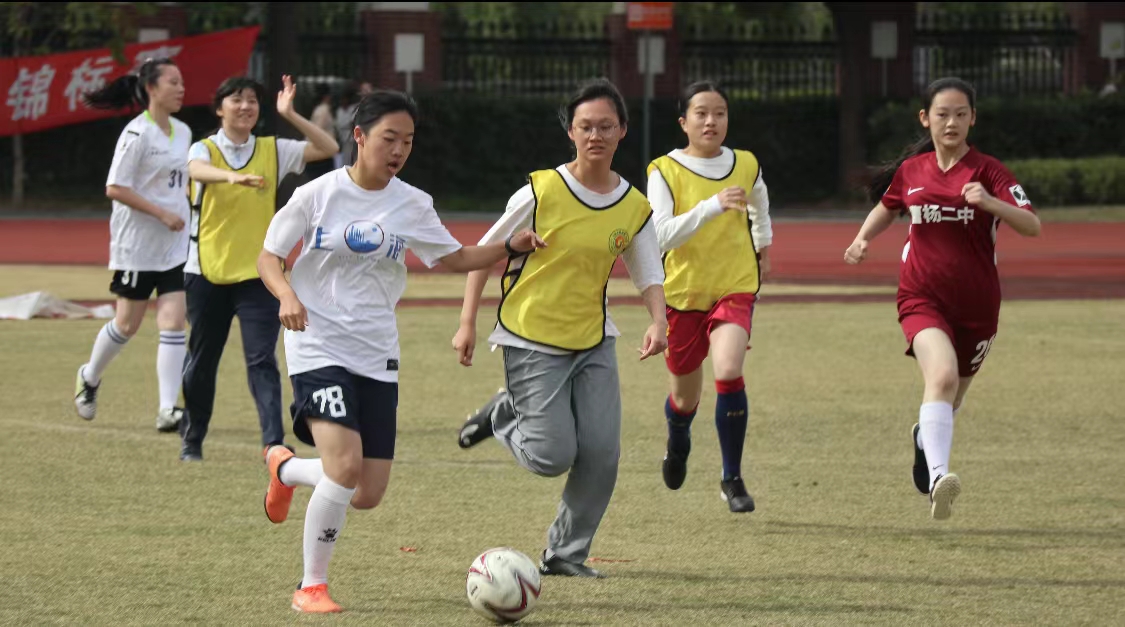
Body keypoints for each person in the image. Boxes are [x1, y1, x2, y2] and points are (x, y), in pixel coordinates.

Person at [255, 90, 545, 613]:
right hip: (317, 345)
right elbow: (269, 258)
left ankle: (286, 470)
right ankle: (310, 587)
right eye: (390, 138)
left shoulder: (411, 202)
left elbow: (455, 258)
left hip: (376, 352)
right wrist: (288, 295)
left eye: (408, 142)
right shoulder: (317, 195)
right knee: (343, 469)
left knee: (365, 491)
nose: (399, 151)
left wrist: (510, 247)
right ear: (359, 136)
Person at [453, 78, 668, 579]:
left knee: (601, 452)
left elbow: (648, 270)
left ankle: (565, 555)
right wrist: (468, 323)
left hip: (592, 341)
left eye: (606, 126)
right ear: (570, 132)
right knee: (551, 456)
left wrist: (659, 320)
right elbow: (482, 257)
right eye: (586, 126)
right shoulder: (540, 190)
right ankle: (504, 415)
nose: (596, 135)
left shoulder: (633, 206)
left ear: (623, 132)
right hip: (530, 339)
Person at [844, 77, 1041, 521]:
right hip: (922, 296)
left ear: (973, 118)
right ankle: (939, 478)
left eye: (960, 114)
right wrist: (861, 239)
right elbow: (888, 206)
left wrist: (992, 203)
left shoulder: (989, 172)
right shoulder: (912, 172)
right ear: (925, 118)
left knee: (949, 399)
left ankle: (923, 438)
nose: (950, 122)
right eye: (942, 113)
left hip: (978, 305)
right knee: (944, 377)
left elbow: (1032, 225)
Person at [178, 75, 339, 462]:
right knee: (202, 359)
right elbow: (196, 170)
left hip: (258, 275)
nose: (246, 106)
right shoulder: (204, 148)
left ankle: (274, 443)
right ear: (220, 108)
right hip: (206, 271)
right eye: (236, 99)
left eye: (253, 100)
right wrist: (232, 177)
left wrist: (290, 114)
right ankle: (192, 439)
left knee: (262, 360)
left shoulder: (272, 148)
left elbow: (329, 147)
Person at [646, 80, 773, 513]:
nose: (711, 121)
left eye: (719, 113)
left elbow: (759, 203)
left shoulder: (746, 163)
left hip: (734, 284)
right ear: (683, 122)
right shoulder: (663, 170)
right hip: (683, 293)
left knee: (729, 369)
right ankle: (678, 435)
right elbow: (660, 234)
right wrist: (711, 207)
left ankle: (731, 478)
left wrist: (763, 245)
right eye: (701, 113)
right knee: (684, 398)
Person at [73, 58, 192, 433]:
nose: (181, 88)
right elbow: (115, 188)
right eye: (173, 81)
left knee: (173, 320)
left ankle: (167, 409)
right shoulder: (136, 135)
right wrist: (160, 213)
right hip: (136, 247)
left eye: (182, 81)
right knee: (127, 324)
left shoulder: (184, 131)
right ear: (152, 89)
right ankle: (89, 377)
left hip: (174, 245)